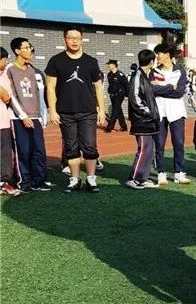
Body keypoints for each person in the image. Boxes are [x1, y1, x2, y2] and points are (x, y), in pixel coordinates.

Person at [45, 26, 106, 193]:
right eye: (70, 37)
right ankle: (75, 179)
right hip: (65, 112)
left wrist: (101, 110)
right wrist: (52, 110)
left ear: (82, 39)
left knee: (90, 146)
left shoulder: (91, 62)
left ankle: (91, 180)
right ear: (64, 39)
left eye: (77, 38)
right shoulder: (55, 61)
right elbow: (50, 87)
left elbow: (99, 87)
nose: (74, 41)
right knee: (71, 147)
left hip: (88, 111)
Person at [7, 38, 49, 192]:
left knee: (39, 150)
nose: (30, 50)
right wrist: (23, 116)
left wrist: (42, 115)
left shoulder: (32, 70)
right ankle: (24, 182)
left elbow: (38, 95)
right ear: (17, 51)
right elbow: (11, 95)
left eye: (30, 47)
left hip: (35, 116)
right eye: (26, 47)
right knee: (23, 150)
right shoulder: (10, 69)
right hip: (18, 118)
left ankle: (39, 181)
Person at [151, 43, 189, 185]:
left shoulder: (180, 71)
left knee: (178, 143)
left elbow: (179, 92)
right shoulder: (154, 72)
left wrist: (161, 88)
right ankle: (161, 172)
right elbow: (152, 90)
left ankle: (179, 172)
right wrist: (169, 87)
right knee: (159, 144)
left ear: (167, 54)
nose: (157, 57)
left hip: (177, 112)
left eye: (159, 54)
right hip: (160, 112)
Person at [126, 50, 161, 189]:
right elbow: (135, 99)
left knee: (148, 150)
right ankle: (134, 179)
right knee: (144, 149)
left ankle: (142, 178)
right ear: (151, 61)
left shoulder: (145, 76)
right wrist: (149, 113)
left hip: (148, 121)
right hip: (142, 121)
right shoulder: (138, 76)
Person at [0, 48, 21, 197]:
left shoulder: (4, 76)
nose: (5, 62)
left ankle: (5, 181)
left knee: (5, 152)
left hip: (2, 121)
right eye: (4, 59)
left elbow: (7, 97)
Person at [105, 59, 129, 132]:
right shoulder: (109, 74)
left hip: (119, 95)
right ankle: (124, 127)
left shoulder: (120, 75)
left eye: (110, 64)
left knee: (115, 111)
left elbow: (126, 85)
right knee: (118, 111)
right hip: (112, 95)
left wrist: (126, 95)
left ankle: (109, 128)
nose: (108, 66)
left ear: (114, 65)